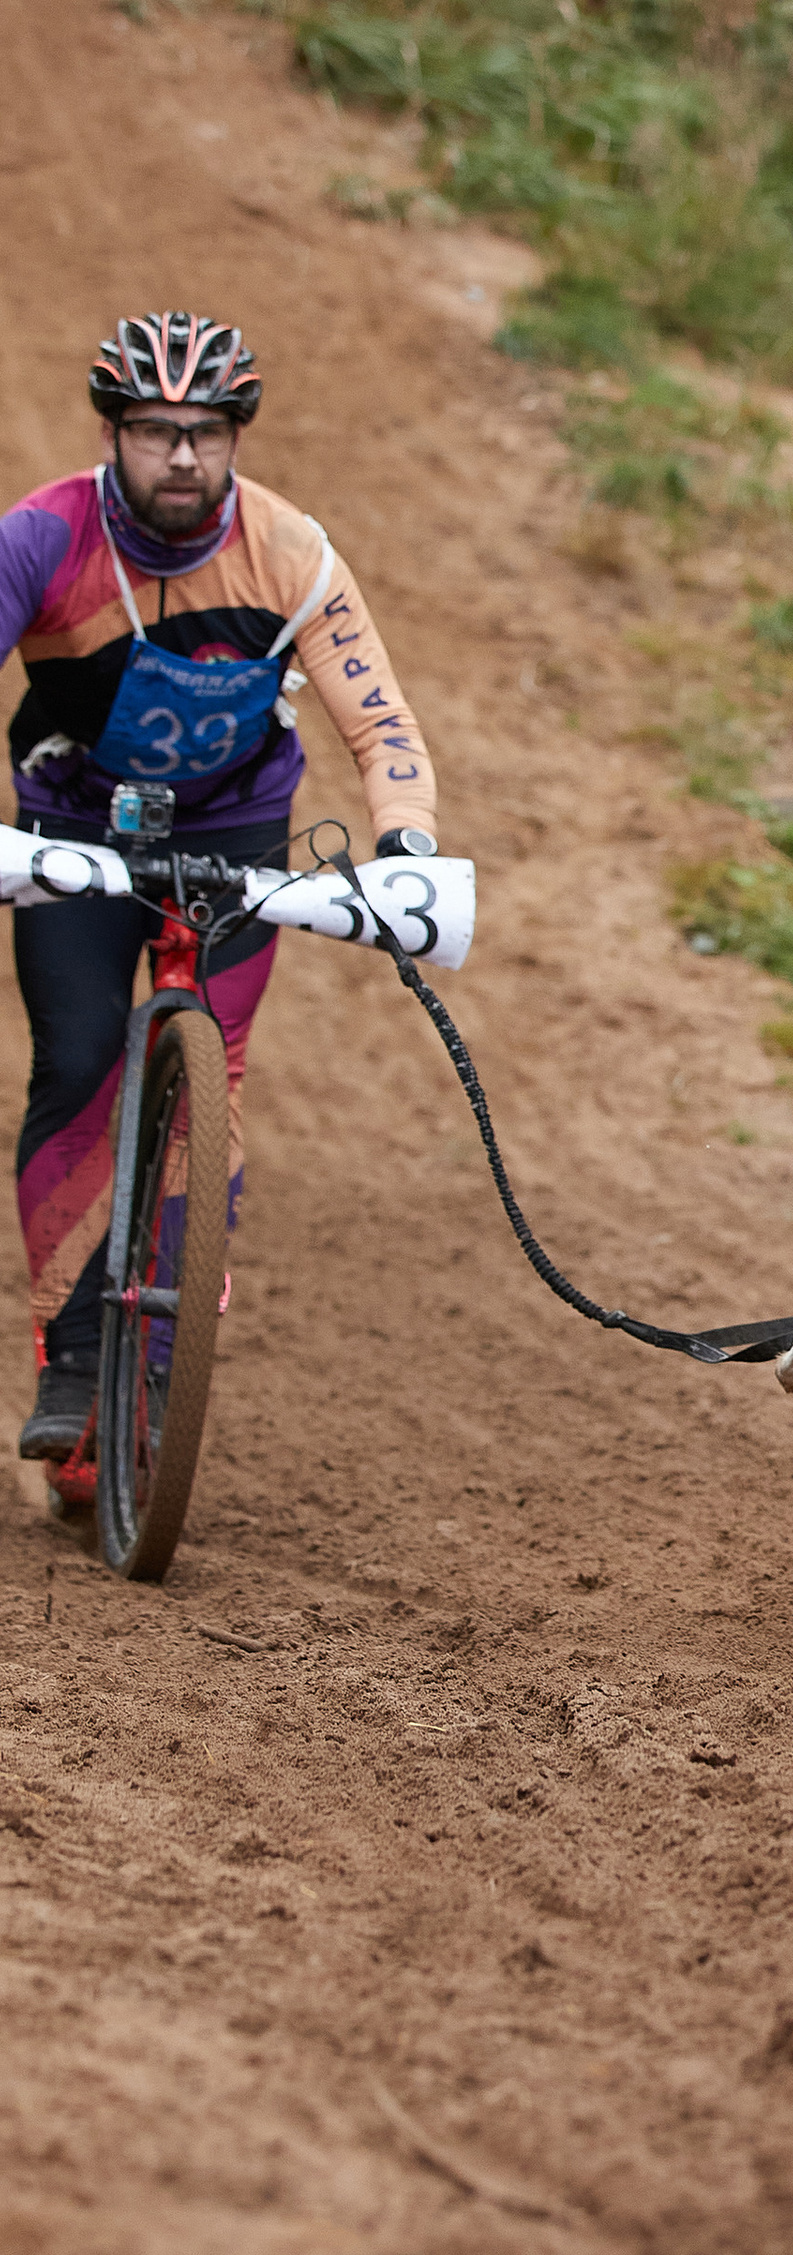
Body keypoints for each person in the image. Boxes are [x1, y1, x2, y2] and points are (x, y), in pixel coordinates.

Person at [3, 312, 438, 1460]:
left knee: (212, 1086)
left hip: (236, 837)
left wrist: (402, 845)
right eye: (154, 432)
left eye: (204, 432)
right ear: (114, 433)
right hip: (74, 828)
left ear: (237, 435)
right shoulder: (41, 538)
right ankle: (73, 1354)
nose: (182, 458)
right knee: (81, 1058)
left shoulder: (293, 551)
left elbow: (379, 718)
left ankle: (159, 1364)